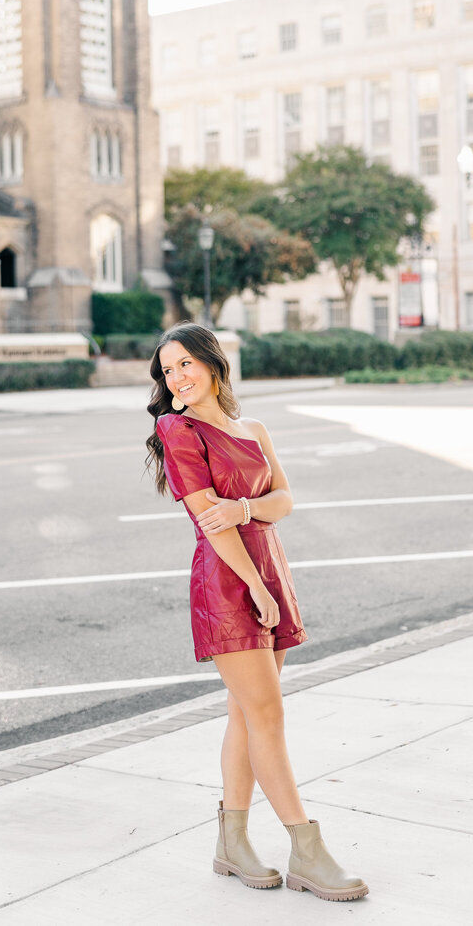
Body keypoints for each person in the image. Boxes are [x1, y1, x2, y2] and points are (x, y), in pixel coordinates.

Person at [145, 322, 369, 902]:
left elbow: (285, 499)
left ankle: (232, 842)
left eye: (185, 364)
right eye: (168, 371)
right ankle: (307, 850)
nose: (177, 377)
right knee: (267, 715)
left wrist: (245, 508)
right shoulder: (178, 430)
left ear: (212, 364)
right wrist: (256, 588)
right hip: (228, 583)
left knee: (246, 716)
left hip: (270, 568)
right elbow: (208, 522)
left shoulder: (253, 429)